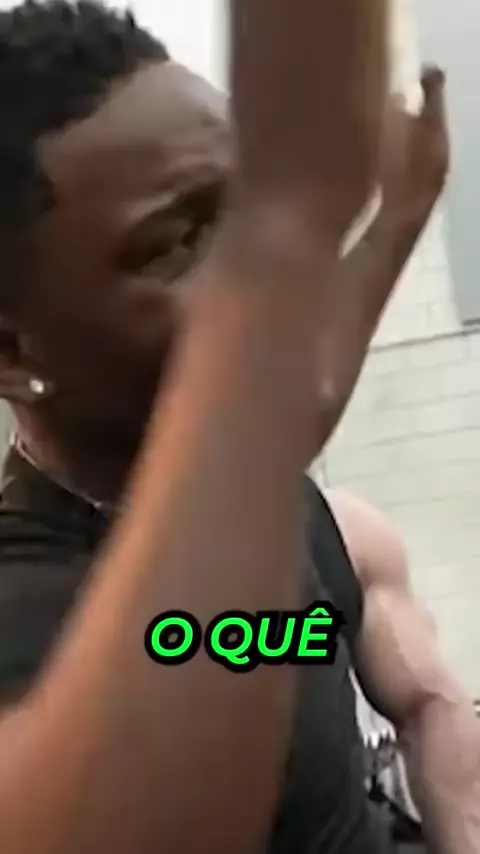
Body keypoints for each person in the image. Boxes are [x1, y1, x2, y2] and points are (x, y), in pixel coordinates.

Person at [0, 2, 478, 853]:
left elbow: (423, 699)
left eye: (245, 206)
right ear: (10, 351)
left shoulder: (312, 525)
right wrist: (292, 221)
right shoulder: (23, 622)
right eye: (177, 243)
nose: (265, 288)